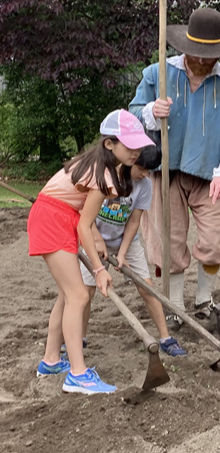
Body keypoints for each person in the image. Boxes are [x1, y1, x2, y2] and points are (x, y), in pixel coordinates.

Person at [129, 8, 220, 330]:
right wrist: (151, 111)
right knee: (167, 241)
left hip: (211, 176)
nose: (205, 60)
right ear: (185, 48)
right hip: (165, 171)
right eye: (199, 54)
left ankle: (204, 300)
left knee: (216, 240)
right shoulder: (158, 75)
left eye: (212, 55)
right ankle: (176, 306)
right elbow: (133, 114)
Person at [28, 109, 155, 393]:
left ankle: (51, 359)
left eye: (139, 145)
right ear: (110, 144)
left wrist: (98, 245)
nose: (136, 151)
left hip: (58, 215)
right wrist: (98, 270)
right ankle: (78, 374)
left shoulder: (98, 164)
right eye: (130, 145)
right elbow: (85, 226)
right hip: (54, 219)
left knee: (66, 293)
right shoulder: (103, 175)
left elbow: (84, 220)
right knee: (78, 295)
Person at [78, 147, 187, 356]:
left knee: (147, 287)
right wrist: (98, 241)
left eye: (150, 171)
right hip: (94, 237)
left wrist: (122, 253)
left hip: (126, 240)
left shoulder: (145, 185)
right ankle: (79, 338)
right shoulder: (106, 177)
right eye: (143, 169)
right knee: (85, 292)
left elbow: (134, 221)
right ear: (131, 161)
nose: (146, 174)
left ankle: (165, 338)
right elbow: (85, 217)